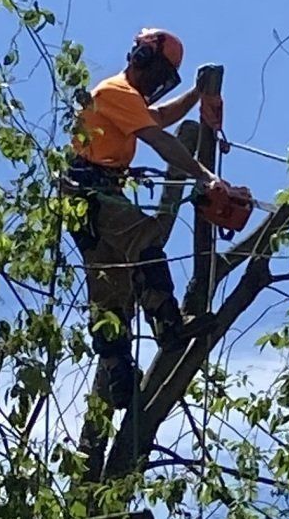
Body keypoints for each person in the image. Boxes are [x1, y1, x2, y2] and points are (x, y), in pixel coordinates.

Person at [65, 27, 220, 410]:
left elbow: (159, 117)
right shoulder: (115, 91)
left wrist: (197, 96)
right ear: (143, 58)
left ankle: (117, 372)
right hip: (92, 190)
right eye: (158, 72)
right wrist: (205, 176)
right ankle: (167, 321)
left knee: (110, 285)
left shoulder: (125, 100)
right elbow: (160, 139)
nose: (157, 83)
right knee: (145, 239)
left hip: (84, 197)